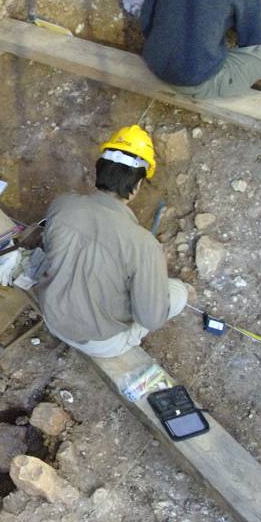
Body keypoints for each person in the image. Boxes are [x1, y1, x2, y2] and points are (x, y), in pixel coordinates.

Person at [35, 126, 188, 359]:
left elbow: (50, 248)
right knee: (178, 292)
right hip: (99, 344)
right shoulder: (143, 245)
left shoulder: (62, 204)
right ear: (136, 186)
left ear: (100, 171)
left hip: (52, 318)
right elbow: (151, 319)